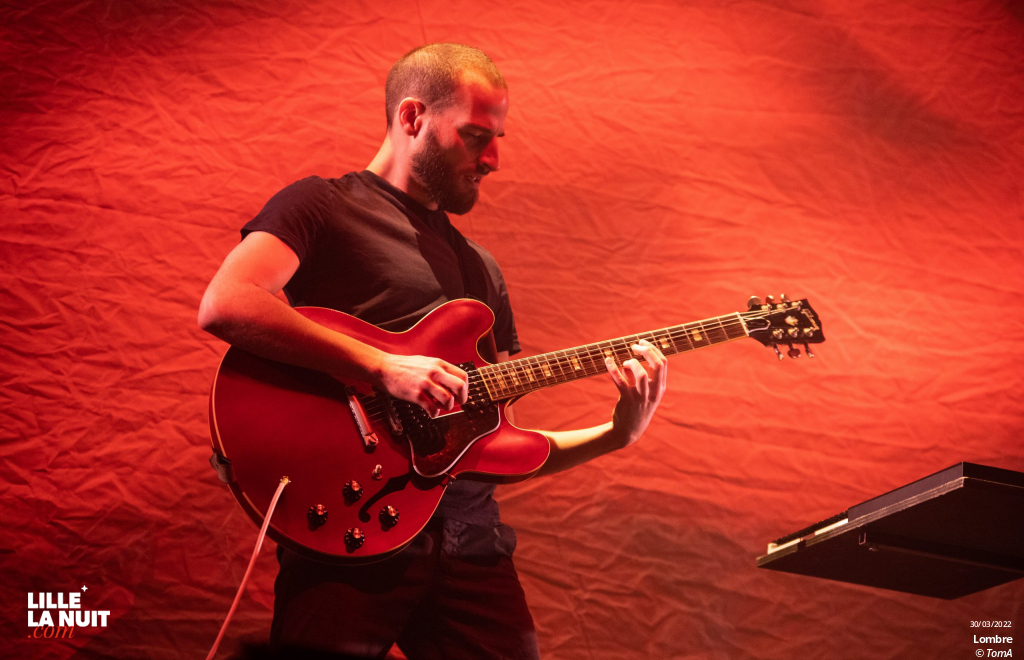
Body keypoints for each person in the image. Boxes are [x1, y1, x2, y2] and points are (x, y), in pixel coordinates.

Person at [198, 43, 668, 660]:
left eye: (498, 137)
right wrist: (382, 367)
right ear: (413, 118)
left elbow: (492, 445)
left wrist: (617, 435)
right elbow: (228, 303)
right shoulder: (322, 207)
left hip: (470, 546)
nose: (495, 158)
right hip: (348, 535)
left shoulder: (481, 271)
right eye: (477, 136)